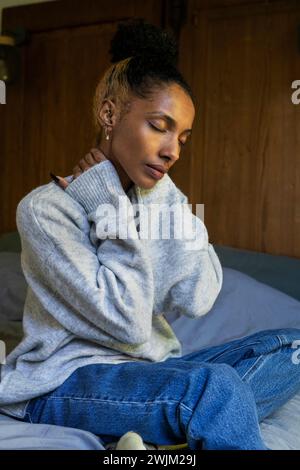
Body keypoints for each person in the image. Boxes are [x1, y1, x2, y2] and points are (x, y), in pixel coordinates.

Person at [0, 18, 299, 451]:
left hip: (151, 369)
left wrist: (161, 194)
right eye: (160, 126)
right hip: (65, 381)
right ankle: (196, 418)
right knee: (214, 387)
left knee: (291, 346)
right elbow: (127, 319)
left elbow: (199, 295)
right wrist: (108, 207)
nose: (173, 150)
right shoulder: (45, 210)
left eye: (183, 138)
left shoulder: (156, 198)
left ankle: (172, 431)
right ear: (109, 113)